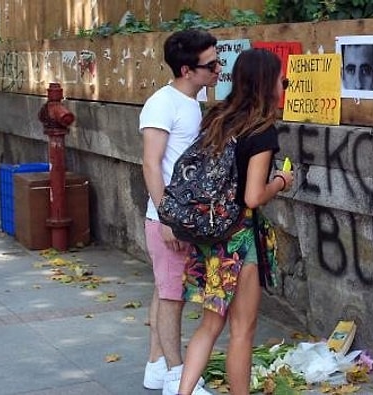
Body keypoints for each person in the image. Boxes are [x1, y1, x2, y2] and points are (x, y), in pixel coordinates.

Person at [166, 48, 294, 395]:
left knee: (209, 325)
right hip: (238, 242)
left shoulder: (217, 117)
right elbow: (252, 197)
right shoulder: (262, 130)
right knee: (242, 330)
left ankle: (183, 392)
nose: (284, 86)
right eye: (282, 80)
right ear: (267, 84)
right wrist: (281, 181)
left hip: (208, 235)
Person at [139, 29, 220, 392]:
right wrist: (168, 217)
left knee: (165, 291)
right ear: (187, 70)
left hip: (182, 217)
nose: (218, 69)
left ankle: (156, 364)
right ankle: (176, 376)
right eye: (212, 64)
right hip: (169, 220)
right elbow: (151, 164)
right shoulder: (163, 103)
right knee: (172, 298)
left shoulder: (191, 101)